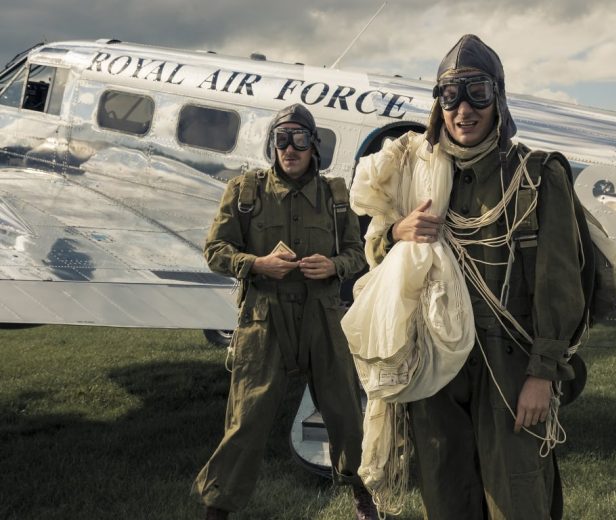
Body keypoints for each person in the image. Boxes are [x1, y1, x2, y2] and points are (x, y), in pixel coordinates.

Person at [352, 35, 585, 519]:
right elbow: (372, 252)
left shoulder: (537, 177)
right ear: (439, 105)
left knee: (517, 498)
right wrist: (398, 230)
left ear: (497, 98)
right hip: (436, 366)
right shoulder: (413, 170)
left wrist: (542, 374)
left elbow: (560, 286)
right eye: (450, 95)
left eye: (477, 93)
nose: (464, 110)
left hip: (509, 364)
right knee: (446, 495)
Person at [193, 103, 378, 520]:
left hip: (322, 316)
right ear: (271, 144)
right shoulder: (245, 192)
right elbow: (214, 251)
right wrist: (255, 265)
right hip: (264, 318)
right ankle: (217, 507)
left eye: (298, 139)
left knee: (346, 412)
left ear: (314, 145)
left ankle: (363, 494)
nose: (289, 148)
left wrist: (334, 266)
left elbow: (357, 253)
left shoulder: (336, 196)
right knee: (247, 416)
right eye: (281, 139)